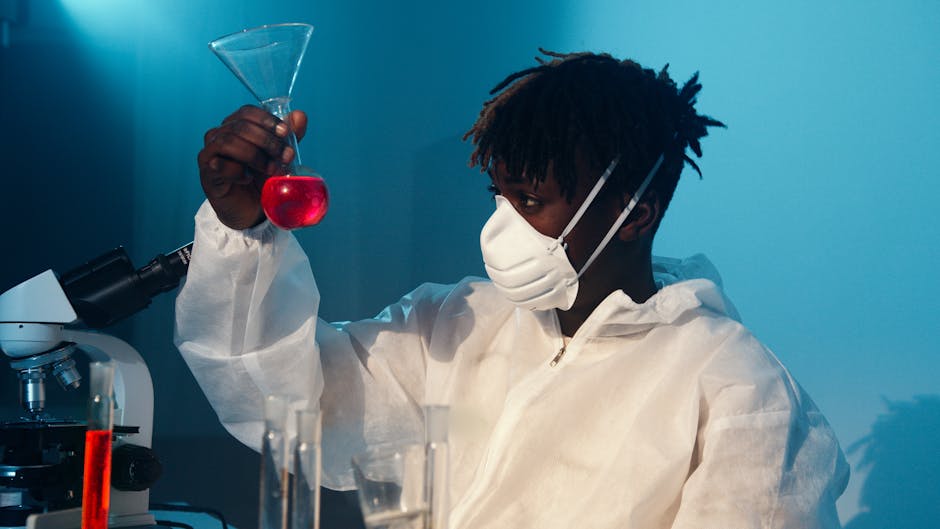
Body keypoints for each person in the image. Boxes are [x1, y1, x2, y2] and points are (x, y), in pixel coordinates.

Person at [176, 50, 849, 528]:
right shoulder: (457, 320)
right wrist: (245, 236)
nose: (502, 227)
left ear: (634, 214)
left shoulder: (739, 389)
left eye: (532, 199)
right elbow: (289, 405)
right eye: (499, 194)